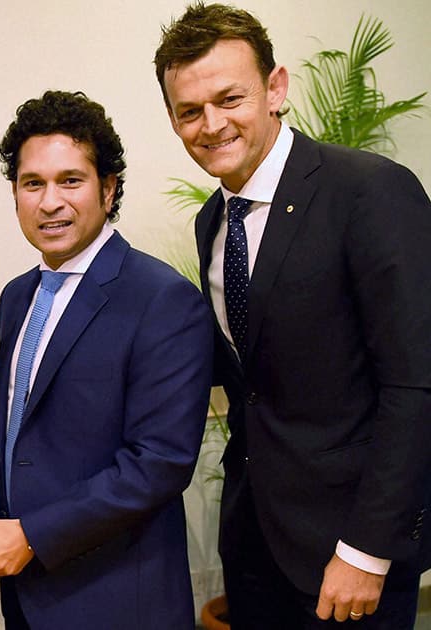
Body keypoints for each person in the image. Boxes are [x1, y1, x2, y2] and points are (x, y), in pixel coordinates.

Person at [155, 4, 431, 628]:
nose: (212, 124)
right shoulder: (212, 223)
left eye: (231, 98)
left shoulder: (369, 191)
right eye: (190, 111)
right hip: (254, 550)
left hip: (351, 554)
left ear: (276, 88)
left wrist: (368, 548)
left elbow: (415, 386)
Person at [0, 90, 214, 629]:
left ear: (108, 188)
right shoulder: (15, 297)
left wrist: (32, 535)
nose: (50, 201)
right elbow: (32, 431)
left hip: (118, 598)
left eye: (70, 180)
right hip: (29, 598)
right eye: (33, 183)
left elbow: (159, 464)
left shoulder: (160, 298)